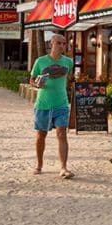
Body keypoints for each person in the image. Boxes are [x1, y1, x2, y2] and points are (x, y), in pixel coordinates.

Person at [29, 34, 75, 178]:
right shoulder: (40, 61)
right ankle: (39, 164)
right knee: (41, 135)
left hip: (61, 104)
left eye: (64, 43)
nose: (62, 46)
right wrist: (37, 83)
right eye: (59, 43)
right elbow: (31, 80)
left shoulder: (68, 62)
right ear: (51, 44)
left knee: (62, 133)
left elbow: (69, 79)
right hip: (43, 104)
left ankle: (63, 168)